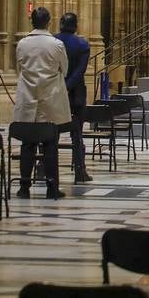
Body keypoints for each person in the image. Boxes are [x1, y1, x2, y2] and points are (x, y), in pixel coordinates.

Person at [14, 7, 72, 200]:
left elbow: (19, 67)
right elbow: (64, 69)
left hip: (28, 98)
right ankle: (52, 187)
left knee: (27, 145)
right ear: (49, 22)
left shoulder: (22, 44)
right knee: (50, 145)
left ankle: (24, 187)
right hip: (50, 100)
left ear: (32, 21)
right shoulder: (56, 44)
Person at [55, 11, 92, 184]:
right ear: (76, 26)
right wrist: (68, 86)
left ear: (61, 24)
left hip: (54, 92)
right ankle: (80, 171)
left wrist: (60, 87)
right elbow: (80, 70)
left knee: (49, 131)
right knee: (76, 133)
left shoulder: (53, 42)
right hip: (75, 93)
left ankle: (43, 168)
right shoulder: (82, 44)